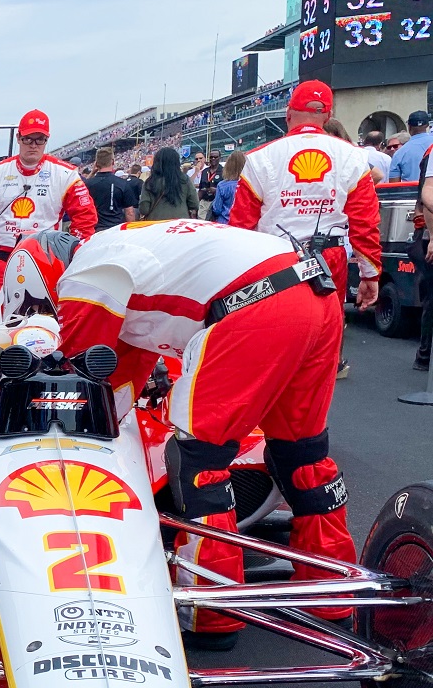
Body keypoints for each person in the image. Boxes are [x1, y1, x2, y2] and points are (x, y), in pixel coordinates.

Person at [57, 220, 358, 651]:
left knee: (198, 458)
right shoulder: (125, 243)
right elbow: (124, 370)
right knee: (302, 452)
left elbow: (78, 373)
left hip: (256, 305)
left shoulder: (85, 272)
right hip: (316, 293)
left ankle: (211, 610)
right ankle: (333, 591)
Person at [229, 79, 381, 379]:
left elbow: (240, 228)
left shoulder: (260, 157)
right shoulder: (352, 156)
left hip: (274, 259)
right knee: (321, 353)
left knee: (272, 348)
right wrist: (370, 274)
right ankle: (312, 414)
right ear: (327, 116)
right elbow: (365, 223)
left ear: (288, 115)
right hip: (330, 259)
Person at [0, 109, 97, 348]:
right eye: (28, 139)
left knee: (49, 321)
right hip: (0, 259)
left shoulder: (65, 174)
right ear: (19, 139)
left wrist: (72, 254)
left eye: (39, 139)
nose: (33, 145)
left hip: (45, 262)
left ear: (46, 141)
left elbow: (85, 219)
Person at [411, 145, 433, 369]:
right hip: (427, 231)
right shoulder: (431, 152)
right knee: (432, 299)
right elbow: (426, 195)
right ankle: (424, 354)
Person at [84, 146, 137, 230]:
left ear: (96, 163)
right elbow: (129, 212)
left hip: (95, 229)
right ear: (113, 162)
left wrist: (92, 173)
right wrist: (131, 231)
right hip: (115, 229)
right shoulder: (122, 184)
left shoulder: (88, 184)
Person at [139, 147, 198, 220]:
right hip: (180, 223)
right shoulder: (185, 180)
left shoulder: (150, 182)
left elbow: (144, 209)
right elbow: (194, 204)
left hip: (155, 223)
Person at [390, 111, 433, 182]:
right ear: (427, 125)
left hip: (412, 192)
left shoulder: (400, 153)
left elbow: (394, 184)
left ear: (409, 126)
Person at [209, 151, 246, 224]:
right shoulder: (250, 185)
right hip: (244, 225)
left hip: (225, 223)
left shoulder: (222, 185)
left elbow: (217, 209)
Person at [197, 153, 223, 221]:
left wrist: (217, 190)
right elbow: (200, 189)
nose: (213, 159)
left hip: (216, 202)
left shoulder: (224, 171)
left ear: (219, 157)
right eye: (211, 157)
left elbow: (225, 189)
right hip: (204, 202)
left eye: (215, 157)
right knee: (201, 223)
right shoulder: (205, 171)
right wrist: (196, 204)